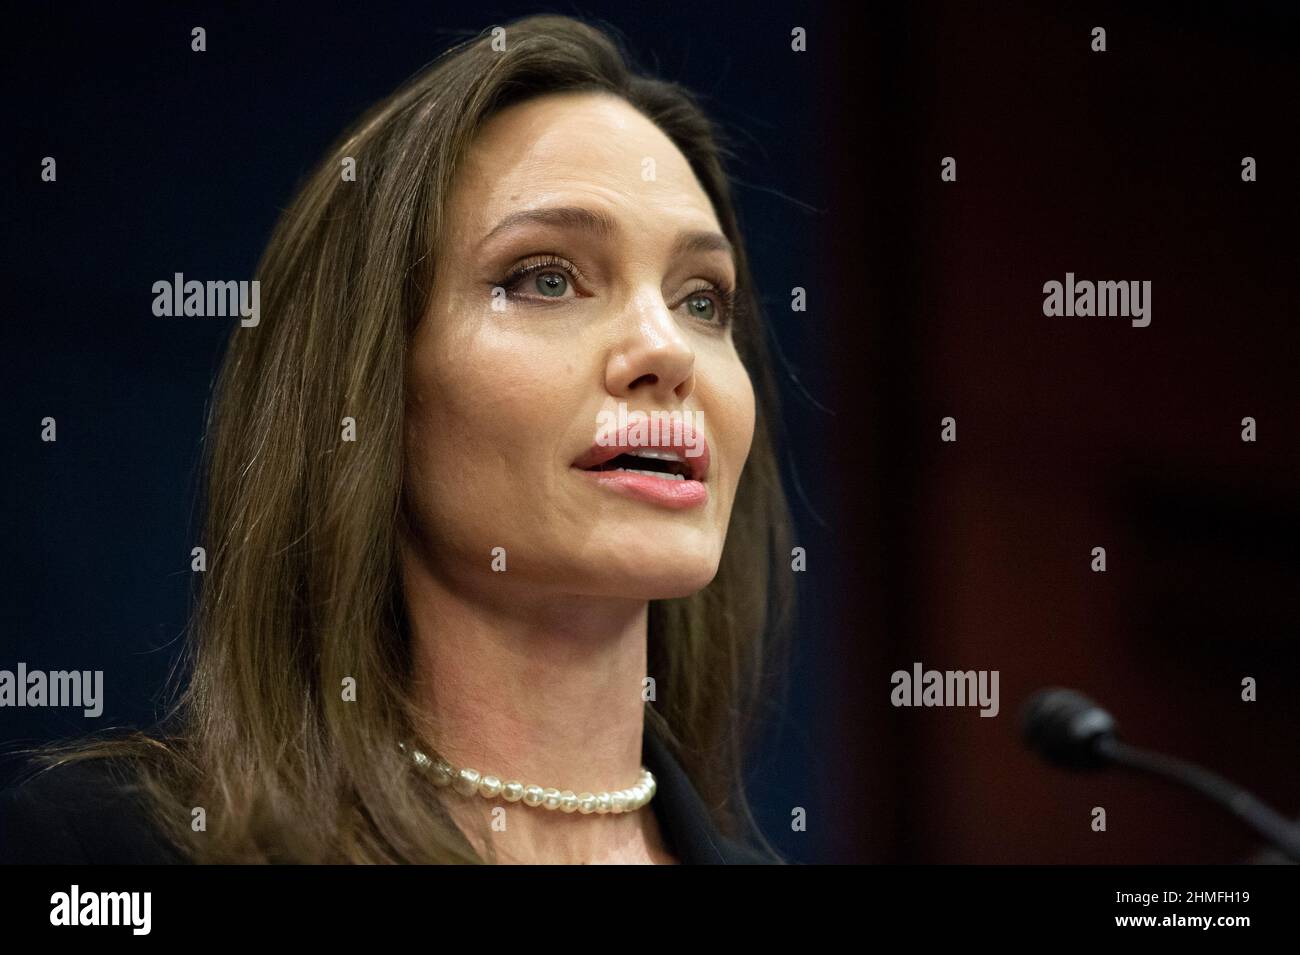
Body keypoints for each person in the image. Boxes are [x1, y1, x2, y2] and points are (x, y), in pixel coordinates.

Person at [0, 13, 794, 865]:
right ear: (370, 385)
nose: (668, 350)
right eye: (546, 279)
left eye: (700, 299)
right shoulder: (101, 849)